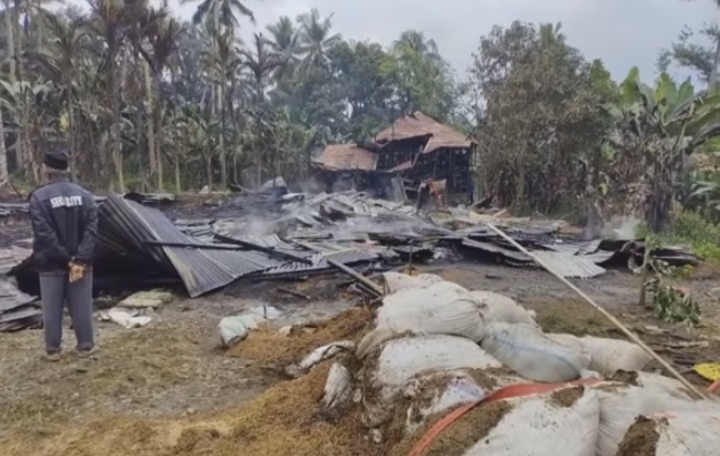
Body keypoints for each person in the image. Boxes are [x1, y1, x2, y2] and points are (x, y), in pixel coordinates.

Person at [28, 150, 98, 361]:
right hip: (80, 264)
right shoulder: (86, 197)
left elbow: (44, 234)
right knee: (82, 305)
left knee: (51, 307)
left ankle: (53, 349)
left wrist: (66, 259)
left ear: (46, 170)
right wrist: (79, 260)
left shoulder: (39, 197)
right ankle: (85, 345)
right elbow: (91, 232)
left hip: (50, 263)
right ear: (66, 170)